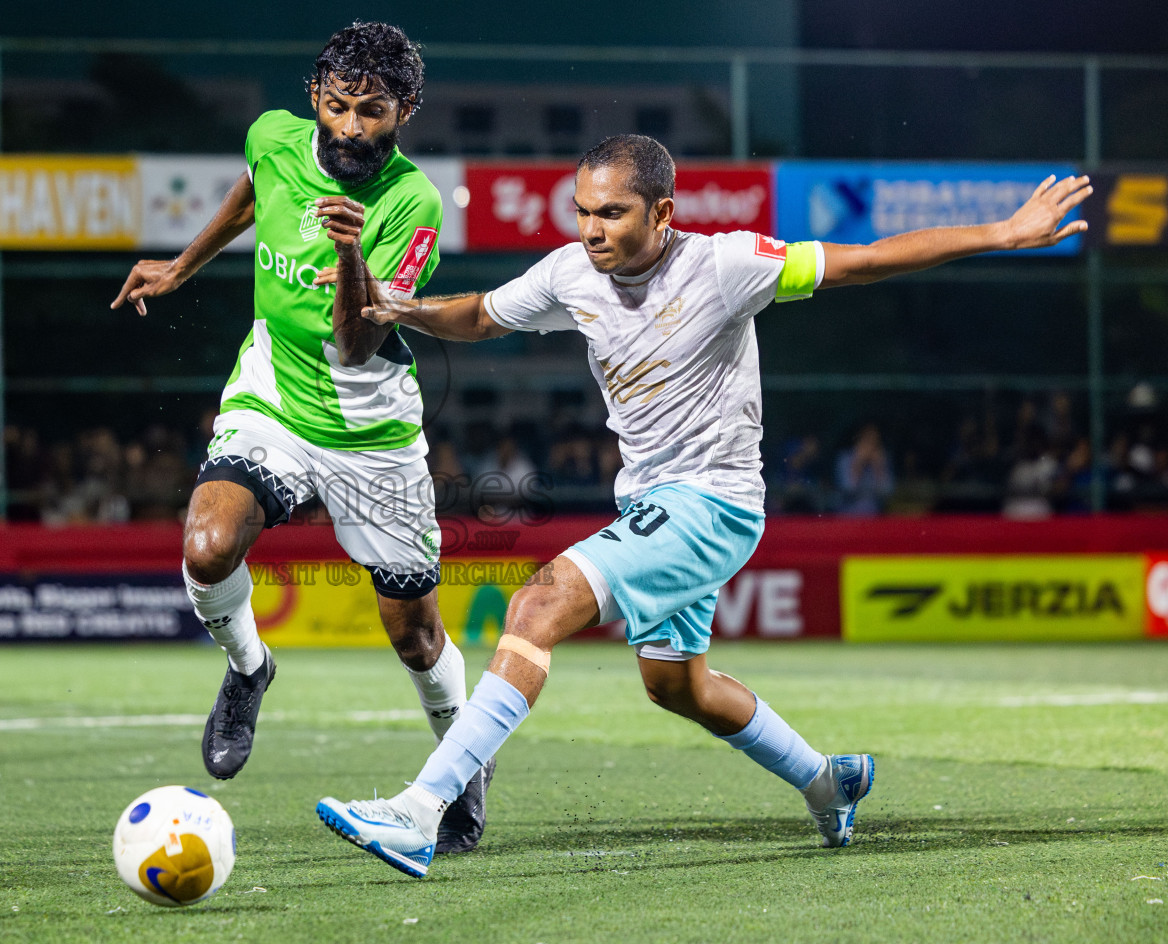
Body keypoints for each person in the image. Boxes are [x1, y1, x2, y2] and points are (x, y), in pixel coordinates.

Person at [313, 134, 1090, 877]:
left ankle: (419, 811)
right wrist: (399, 306)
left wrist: (1004, 231)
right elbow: (481, 315)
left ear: (662, 213)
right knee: (675, 685)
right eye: (582, 210)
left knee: (536, 605)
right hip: (651, 504)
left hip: (714, 502)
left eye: (611, 213)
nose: (591, 229)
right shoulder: (568, 274)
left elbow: (865, 261)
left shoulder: (728, 264)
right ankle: (827, 782)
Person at [110, 22, 494, 853]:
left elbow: (356, 342)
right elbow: (253, 192)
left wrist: (352, 255)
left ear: (407, 112)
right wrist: (181, 266)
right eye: (342, 106)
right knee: (208, 546)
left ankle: (460, 761)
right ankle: (249, 670)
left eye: (376, 112)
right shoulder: (273, 138)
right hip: (273, 397)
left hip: (370, 428)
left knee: (415, 635)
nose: (354, 128)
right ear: (316, 98)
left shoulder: (409, 203)